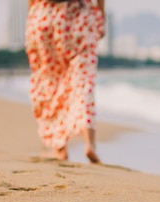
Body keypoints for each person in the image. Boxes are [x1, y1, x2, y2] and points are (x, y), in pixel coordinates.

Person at [26, 0, 106, 163]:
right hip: (78, 17)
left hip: (45, 17)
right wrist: (101, 17)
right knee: (83, 82)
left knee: (50, 82)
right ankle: (90, 144)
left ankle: (60, 148)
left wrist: (32, 17)